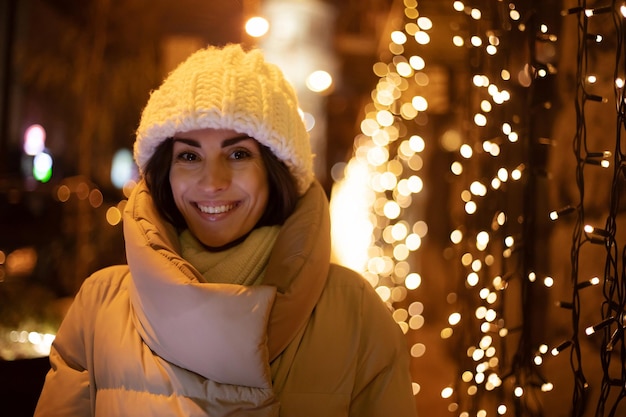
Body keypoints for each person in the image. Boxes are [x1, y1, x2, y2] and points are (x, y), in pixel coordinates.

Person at [34, 44, 418, 417]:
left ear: (276, 170)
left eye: (238, 154)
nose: (212, 181)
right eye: (188, 156)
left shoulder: (356, 315)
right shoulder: (99, 308)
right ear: (164, 172)